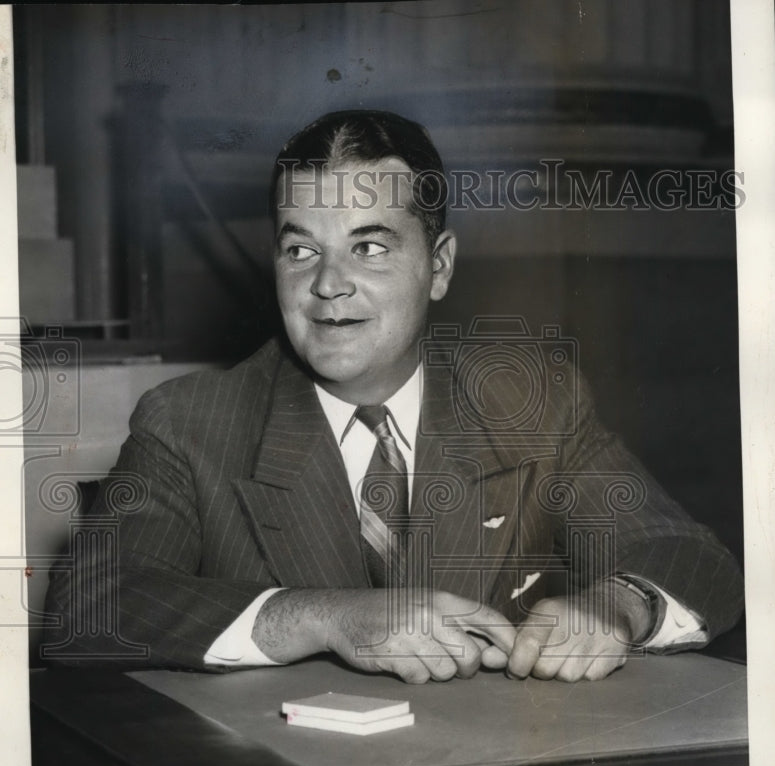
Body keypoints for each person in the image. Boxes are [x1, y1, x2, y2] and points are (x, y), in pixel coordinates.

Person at [43, 109, 744, 683]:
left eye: (369, 247)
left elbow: (686, 554)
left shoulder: (530, 401)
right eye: (300, 250)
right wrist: (325, 616)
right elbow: (89, 609)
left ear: (437, 268)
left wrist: (616, 607)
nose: (327, 285)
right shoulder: (191, 421)